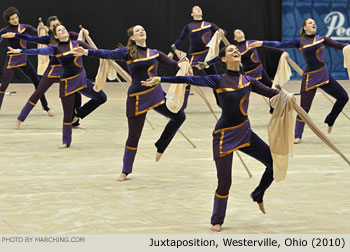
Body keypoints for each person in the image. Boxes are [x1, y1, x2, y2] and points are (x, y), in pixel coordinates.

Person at [142, 44, 295, 232]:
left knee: (274, 164)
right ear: (223, 59)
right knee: (225, 182)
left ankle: (258, 193)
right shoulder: (218, 80)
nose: (235, 51)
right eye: (230, 51)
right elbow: (187, 78)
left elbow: (273, 93)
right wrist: (161, 78)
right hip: (224, 137)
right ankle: (217, 220)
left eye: (235, 50)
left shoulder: (249, 80)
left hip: (245, 132)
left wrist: (288, 97)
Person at [72, 25, 186, 181]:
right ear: (132, 37)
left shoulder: (155, 53)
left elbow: (175, 65)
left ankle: (161, 144)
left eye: (143, 29)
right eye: (137, 31)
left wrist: (185, 64)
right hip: (137, 99)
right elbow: (106, 53)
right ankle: (125, 170)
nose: (141, 31)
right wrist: (86, 51)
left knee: (179, 117)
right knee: (133, 137)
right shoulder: (127, 52)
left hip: (156, 95)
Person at [249, 18, 349, 143]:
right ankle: (297, 135)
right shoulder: (299, 42)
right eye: (310, 23)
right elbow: (280, 45)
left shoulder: (322, 39)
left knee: (344, 97)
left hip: (324, 75)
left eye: (314, 22)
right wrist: (262, 43)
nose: (313, 24)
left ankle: (330, 119)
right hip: (310, 79)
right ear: (305, 28)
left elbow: (341, 46)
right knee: (304, 109)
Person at [8, 24, 107, 148]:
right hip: (67, 84)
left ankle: (78, 115)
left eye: (63, 28)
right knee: (66, 114)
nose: (63, 30)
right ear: (55, 35)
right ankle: (66, 142)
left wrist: (107, 56)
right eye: (59, 30)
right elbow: (38, 50)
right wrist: (21, 51)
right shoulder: (56, 48)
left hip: (81, 81)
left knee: (102, 97)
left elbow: (95, 52)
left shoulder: (78, 43)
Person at [2, 15, 86, 129]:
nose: (58, 27)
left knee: (76, 93)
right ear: (51, 29)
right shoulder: (48, 39)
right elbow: (31, 39)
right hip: (53, 69)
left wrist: (85, 32)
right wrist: (15, 35)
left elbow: (82, 36)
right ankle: (19, 120)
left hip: (67, 71)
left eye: (58, 24)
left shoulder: (69, 35)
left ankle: (74, 123)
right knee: (37, 93)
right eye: (54, 26)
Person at [169, 5, 225, 107]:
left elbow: (222, 31)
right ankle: (182, 105)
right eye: (195, 9)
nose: (198, 9)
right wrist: (172, 52)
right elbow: (181, 39)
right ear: (192, 14)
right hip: (195, 57)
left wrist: (221, 32)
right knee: (187, 80)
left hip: (207, 57)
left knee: (214, 80)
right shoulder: (189, 26)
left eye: (199, 8)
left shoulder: (209, 24)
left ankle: (221, 104)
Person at [0, 7, 51, 114]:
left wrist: (42, 29)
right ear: (8, 20)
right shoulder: (5, 31)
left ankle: (45, 106)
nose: (15, 20)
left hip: (23, 59)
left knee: (37, 82)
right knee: (4, 86)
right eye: (12, 19)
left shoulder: (24, 27)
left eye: (16, 17)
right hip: (12, 60)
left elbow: (38, 33)